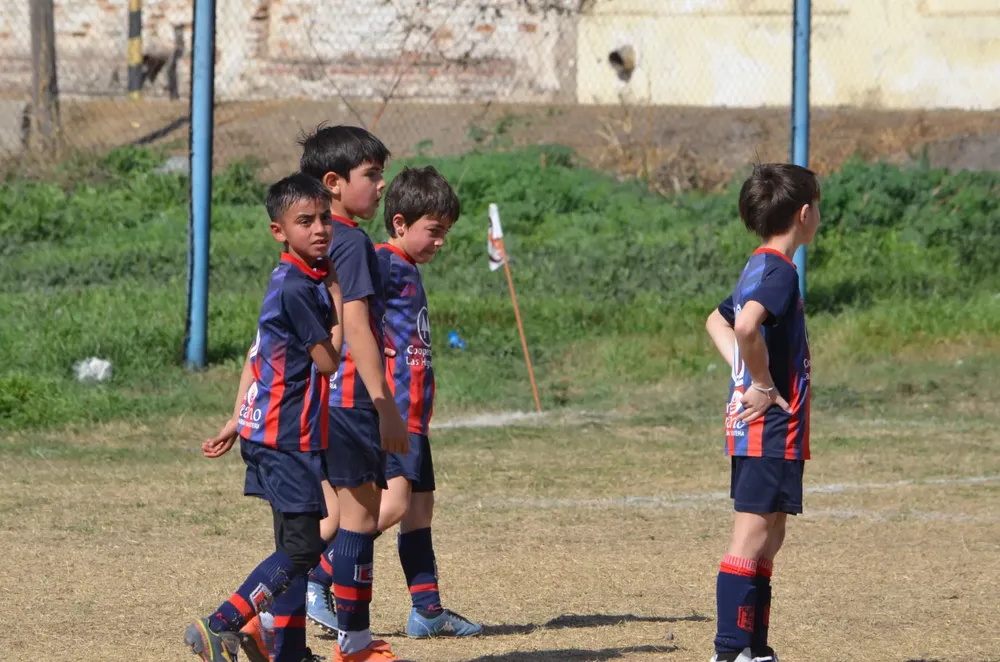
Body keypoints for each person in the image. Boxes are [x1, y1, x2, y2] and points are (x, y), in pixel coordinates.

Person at [184, 172, 342, 662]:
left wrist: (238, 418)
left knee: (291, 552)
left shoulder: (291, 280)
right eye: (304, 221)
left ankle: (289, 651)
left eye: (323, 218)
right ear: (279, 231)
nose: (319, 229)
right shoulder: (302, 288)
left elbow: (258, 359)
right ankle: (220, 623)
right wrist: (339, 299)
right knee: (301, 551)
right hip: (284, 438)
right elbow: (329, 362)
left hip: (274, 433)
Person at [704, 163, 820, 662]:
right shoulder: (780, 271)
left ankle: (755, 649)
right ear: (804, 213)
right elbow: (746, 325)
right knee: (751, 536)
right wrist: (763, 383)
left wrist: (743, 373)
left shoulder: (758, 265)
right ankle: (729, 652)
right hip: (767, 430)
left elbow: (717, 319)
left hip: (769, 431)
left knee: (771, 533)